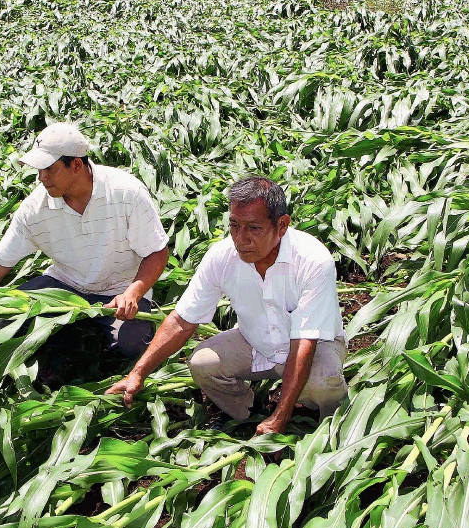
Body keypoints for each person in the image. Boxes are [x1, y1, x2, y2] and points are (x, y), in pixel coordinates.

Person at [107, 176, 346, 436]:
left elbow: (303, 344)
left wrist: (281, 418)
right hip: (257, 343)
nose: (241, 239)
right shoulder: (222, 257)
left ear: (282, 225)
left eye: (254, 228)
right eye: (234, 225)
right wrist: (138, 373)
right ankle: (248, 414)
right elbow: (181, 321)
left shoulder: (312, 260)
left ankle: (329, 426)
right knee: (202, 363)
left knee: (323, 381)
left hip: (314, 345)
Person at [0, 122, 170, 357]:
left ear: (76, 165)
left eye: (49, 169)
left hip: (119, 292)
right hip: (64, 285)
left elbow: (157, 252)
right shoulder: (36, 208)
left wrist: (132, 293)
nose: (42, 177)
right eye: (39, 170)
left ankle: (77, 338)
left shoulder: (126, 194)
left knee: (129, 347)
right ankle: (76, 338)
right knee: (9, 320)